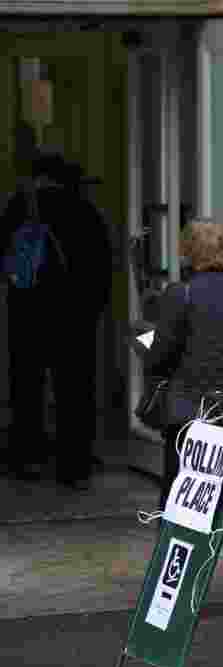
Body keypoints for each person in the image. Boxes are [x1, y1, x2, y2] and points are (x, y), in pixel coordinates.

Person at [0, 152, 111, 489]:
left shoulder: (20, 208)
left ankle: (27, 457)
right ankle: (74, 465)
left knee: (26, 387)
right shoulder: (84, 212)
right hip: (74, 316)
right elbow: (101, 265)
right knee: (75, 389)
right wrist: (93, 308)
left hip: (28, 312)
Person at [147, 219, 223, 508]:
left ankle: (179, 549)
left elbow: (159, 360)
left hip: (189, 413)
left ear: (187, 252)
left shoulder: (179, 294)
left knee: (182, 496)